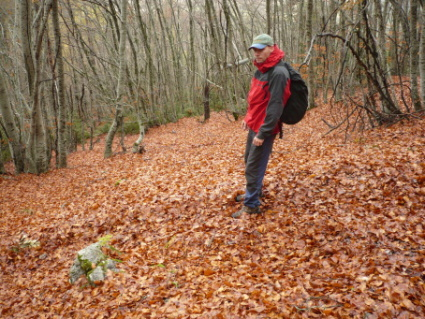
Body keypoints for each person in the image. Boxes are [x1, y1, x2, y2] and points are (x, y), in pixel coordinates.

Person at [232, 34, 291, 218]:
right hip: (255, 124)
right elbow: (256, 99)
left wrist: (263, 133)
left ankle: (251, 205)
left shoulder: (278, 73)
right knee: (249, 160)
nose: (257, 53)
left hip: (265, 128)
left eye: (261, 49)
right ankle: (253, 193)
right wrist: (248, 118)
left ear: (272, 47)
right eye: (254, 49)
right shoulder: (262, 69)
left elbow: (275, 106)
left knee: (254, 166)